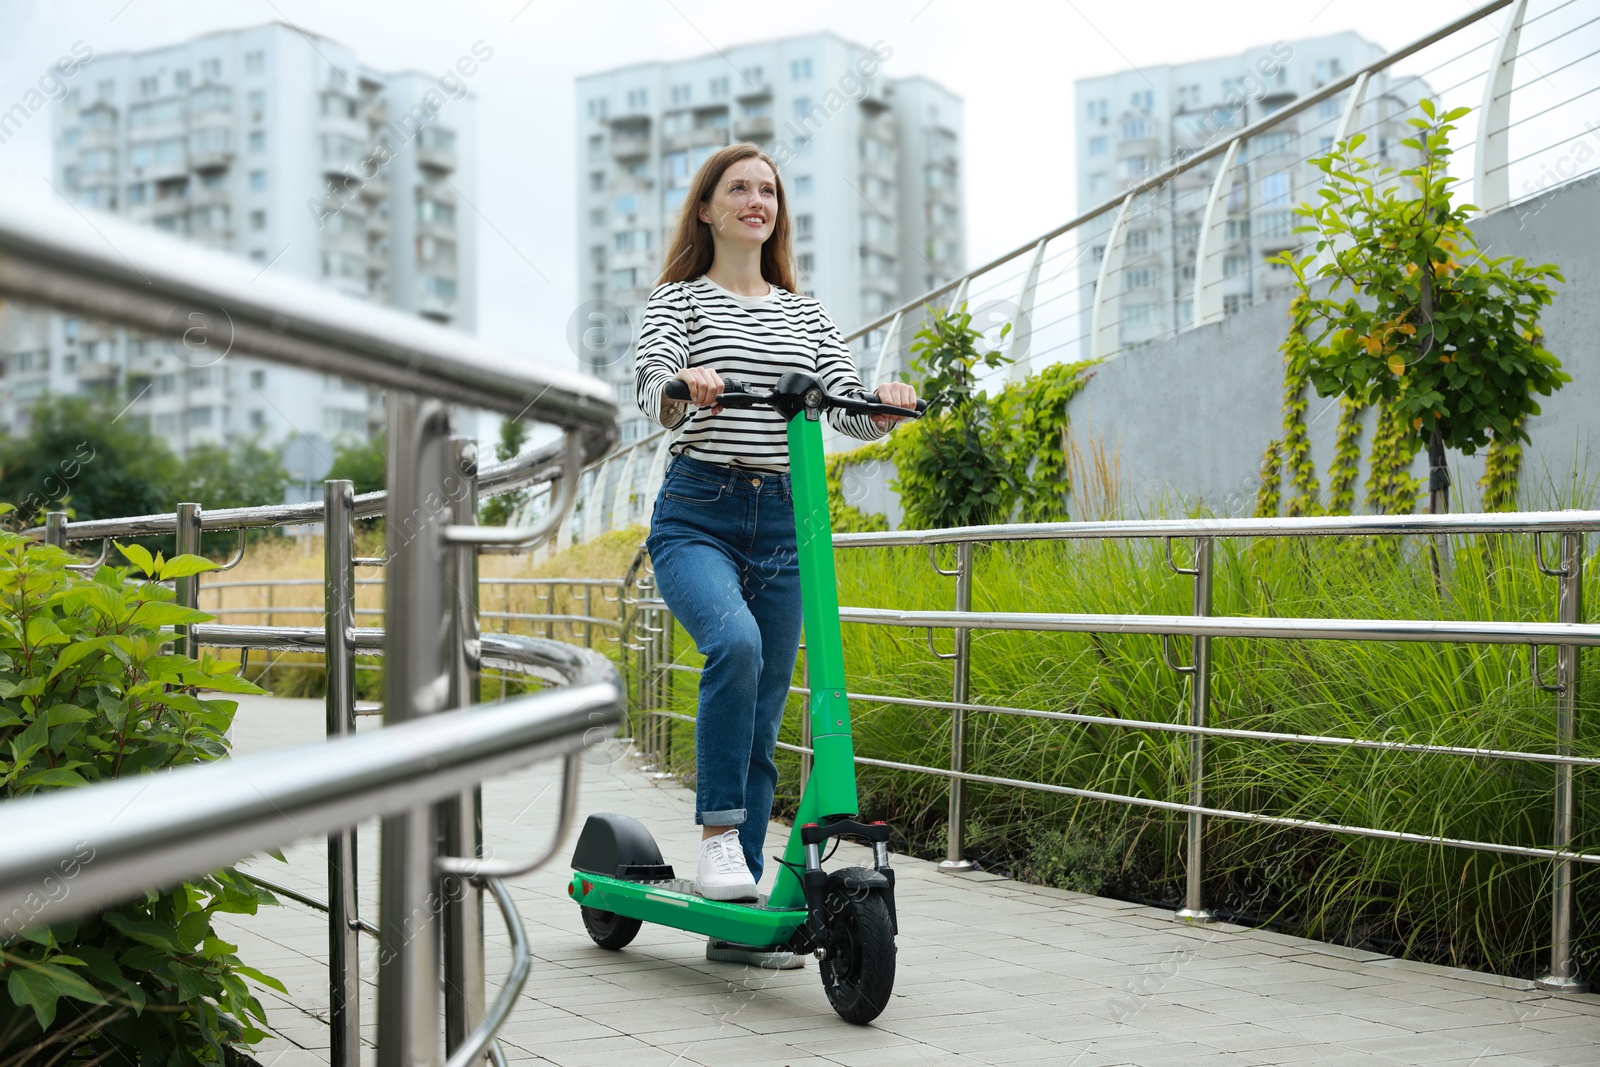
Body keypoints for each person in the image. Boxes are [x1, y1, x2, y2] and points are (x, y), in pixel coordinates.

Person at [634, 144, 917, 965]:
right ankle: (719, 835)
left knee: (763, 706)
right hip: (699, 514)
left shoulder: (808, 315)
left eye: (768, 190)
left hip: (788, 522)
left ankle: (739, 904)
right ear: (708, 209)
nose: (756, 200)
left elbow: (849, 411)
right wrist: (690, 384)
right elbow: (653, 386)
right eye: (739, 189)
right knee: (738, 646)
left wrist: (886, 403)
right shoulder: (677, 301)